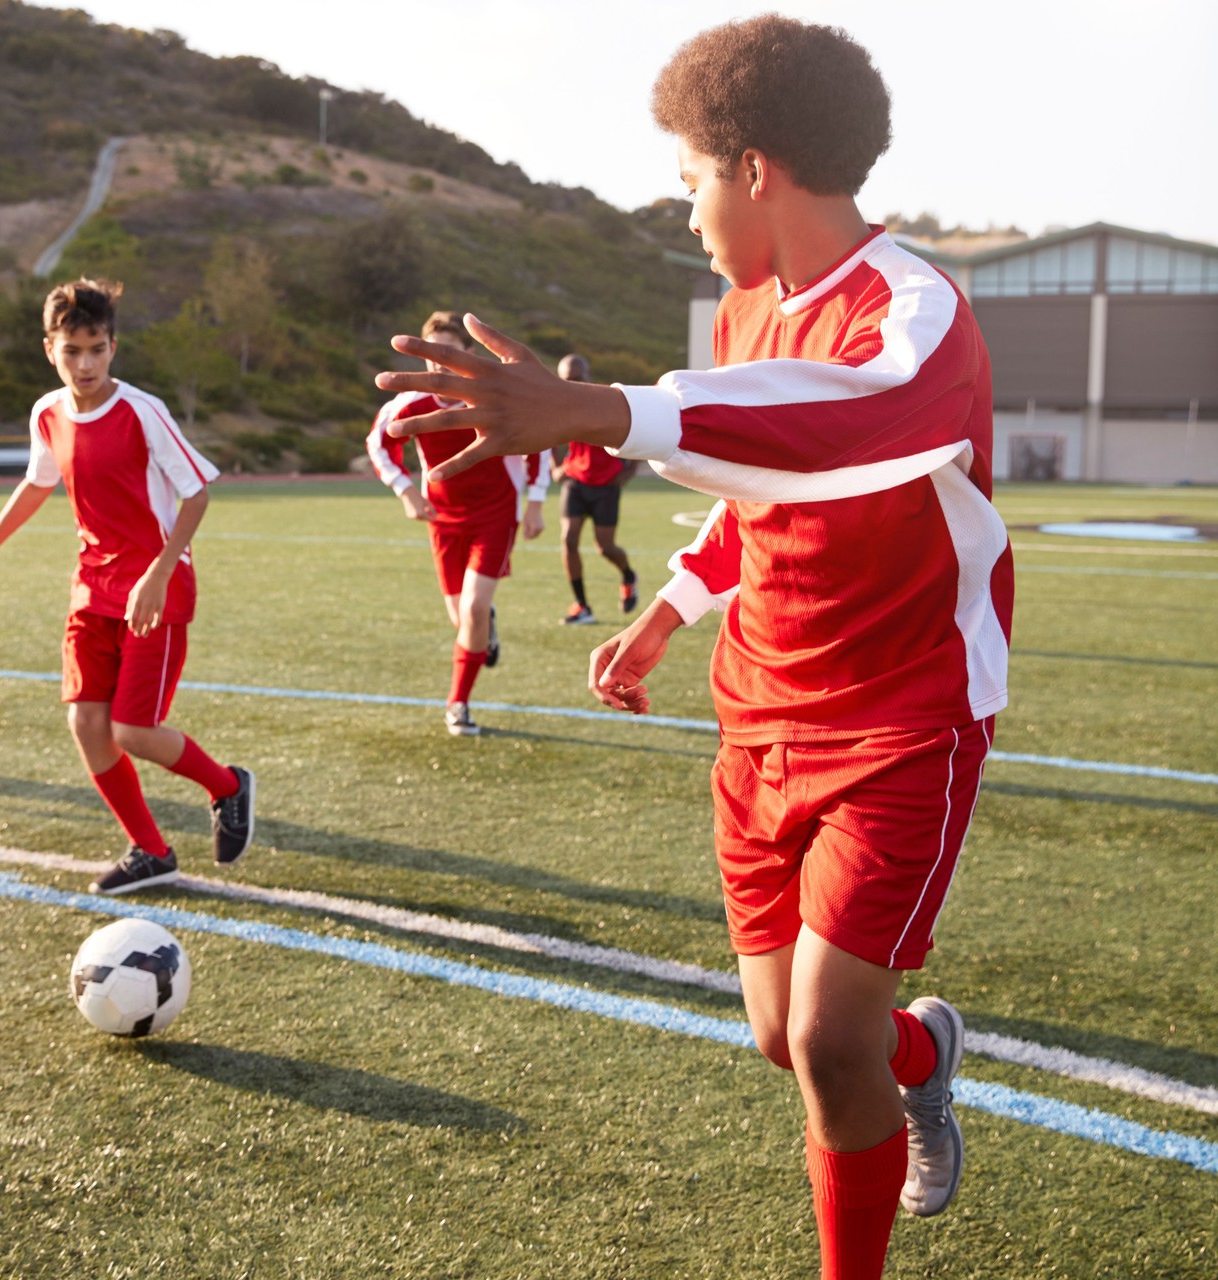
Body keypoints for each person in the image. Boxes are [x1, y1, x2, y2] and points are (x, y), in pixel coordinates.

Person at [372, 18, 1011, 1279]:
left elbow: (856, 421)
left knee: (829, 1039)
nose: (687, 212)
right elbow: (752, 486)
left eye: (687, 180)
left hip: (899, 717)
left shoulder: (914, 309)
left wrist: (612, 407)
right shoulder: (743, 315)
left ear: (754, 168)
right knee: (786, 1036)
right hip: (757, 711)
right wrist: (666, 610)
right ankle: (924, 1057)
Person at [0, 278, 255, 894]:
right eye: (72, 350)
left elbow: (197, 492)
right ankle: (151, 850)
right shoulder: (47, 413)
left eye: (96, 349)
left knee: (133, 730)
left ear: (113, 347)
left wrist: (159, 571)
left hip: (157, 586)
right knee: (87, 724)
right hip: (92, 585)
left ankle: (228, 785)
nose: (85, 363)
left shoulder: (142, 411)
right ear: (50, 350)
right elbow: (38, 483)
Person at [367, 310, 550, 737]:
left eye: (448, 351)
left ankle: (458, 705)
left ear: (469, 353)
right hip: (443, 519)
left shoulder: (494, 397)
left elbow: (539, 442)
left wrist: (536, 503)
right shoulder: (410, 403)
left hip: (496, 514)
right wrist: (406, 491)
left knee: (471, 610)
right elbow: (378, 442)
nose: (439, 361)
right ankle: (486, 624)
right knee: (463, 617)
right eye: (432, 354)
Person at [554, 353, 638, 625]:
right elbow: (548, 435)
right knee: (568, 540)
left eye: (578, 378)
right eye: (567, 380)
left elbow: (638, 430)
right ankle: (582, 606)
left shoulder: (608, 401)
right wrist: (557, 467)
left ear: (588, 377)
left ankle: (628, 575)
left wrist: (629, 471)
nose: (573, 384)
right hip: (575, 482)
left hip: (606, 485)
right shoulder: (558, 405)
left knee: (605, 547)